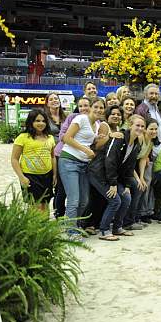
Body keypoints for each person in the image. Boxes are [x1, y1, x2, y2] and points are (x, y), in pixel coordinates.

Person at [88, 115, 144, 240]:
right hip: (98, 173)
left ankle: (117, 228)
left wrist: (128, 185)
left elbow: (130, 167)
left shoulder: (135, 144)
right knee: (115, 200)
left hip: (111, 176)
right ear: (130, 125)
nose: (140, 128)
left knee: (126, 197)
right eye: (137, 125)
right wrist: (113, 184)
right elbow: (110, 161)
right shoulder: (119, 137)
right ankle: (104, 230)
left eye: (142, 126)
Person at [59, 97, 104, 231]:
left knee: (84, 200)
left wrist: (96, 138)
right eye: (95, 106)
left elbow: (84, 138)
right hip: (69, 161)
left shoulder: (96, 125)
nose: (98, 110)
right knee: (74, 200)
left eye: (101, 107)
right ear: (90, 107)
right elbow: (67, 138)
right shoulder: (81, 119)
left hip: (83, 164)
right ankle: (71, 230)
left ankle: (73, 224)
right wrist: (86, 150)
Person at [11, 109, 57, 211]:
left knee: (45, 205)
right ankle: (35, 227)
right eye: (37, 120)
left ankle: (45, 226)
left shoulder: (50, 138)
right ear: (31, 122)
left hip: (47, 176)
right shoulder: (22, 137)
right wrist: (21, 177)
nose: (41, 123)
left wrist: (54, 175)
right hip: (30, 176)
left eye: (44, 121)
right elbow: (14, 159)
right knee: (36, 207)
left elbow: (53, 157)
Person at [135, 84, 161, 155]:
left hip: (158, 147)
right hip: (148, 150)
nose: (154, 96)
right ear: (145, 95)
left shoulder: (156, 108)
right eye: (151, 93)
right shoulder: (140, 110)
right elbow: (139, 131)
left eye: (156, 94)